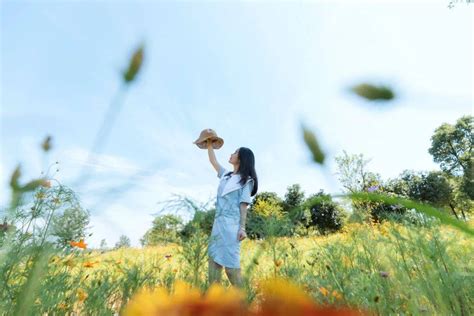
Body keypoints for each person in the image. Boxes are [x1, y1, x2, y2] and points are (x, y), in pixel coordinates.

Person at [206, 139, 258, 288]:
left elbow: (243, 205)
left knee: (231, 268)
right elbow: (213, 160)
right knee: (213, 266)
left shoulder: (246, 181)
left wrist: (242, 228)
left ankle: (243, 302)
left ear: (241, 158)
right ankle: (216, 304)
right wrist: (209, 143)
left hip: (231, 227)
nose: (231, 154)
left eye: (235, 152)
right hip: (218, 224)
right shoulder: (226, 175)